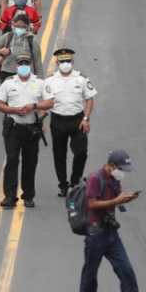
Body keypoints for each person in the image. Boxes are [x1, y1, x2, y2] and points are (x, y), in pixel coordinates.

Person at [77, 149, 146, 292]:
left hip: (111, 233)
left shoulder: (114, 179)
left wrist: (125, 199)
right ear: (110, 166)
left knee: (126, 270)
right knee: (91, 272)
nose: (123, 173)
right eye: (121, 169)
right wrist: (116, 201)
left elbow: (114, 199)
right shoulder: (95, 179)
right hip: (95, 233)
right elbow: (92, 203)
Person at [0, 54, 48, 208]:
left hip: (31, 128)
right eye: (21, 63)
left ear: (30, 65)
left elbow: (49, 102)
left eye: (26, 63)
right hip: (13, 128)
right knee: (11, 161)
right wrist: (14, 110)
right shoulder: (8, 83)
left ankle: (28, 196)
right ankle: (10, 197)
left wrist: (35, 108)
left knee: (30, 162)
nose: (23, 66)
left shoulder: (39, 83)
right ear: (16, 66)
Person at [41, 47, 97, 197]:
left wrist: (86, 118)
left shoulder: (81, 79)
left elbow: (90, 99)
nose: (65, 64)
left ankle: (75, 181)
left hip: (77, 120)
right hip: (58, 120)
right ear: (57, 62)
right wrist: (42, 119)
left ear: (72, 62)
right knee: (59, 154)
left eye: (68, 61)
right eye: (62, 61)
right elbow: (45, 102)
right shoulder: (50, 80)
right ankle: (63, 185)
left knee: (81, 152)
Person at [0, 13, 43, 82]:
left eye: (22, 27)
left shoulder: (32, 40)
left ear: (27, 27)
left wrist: (40, 79)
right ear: (13, 25)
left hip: (26, 73)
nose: (19, 28)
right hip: (8, 72)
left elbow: (38, 61)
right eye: (17, 26)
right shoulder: (7, 36)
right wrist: (1, 51)